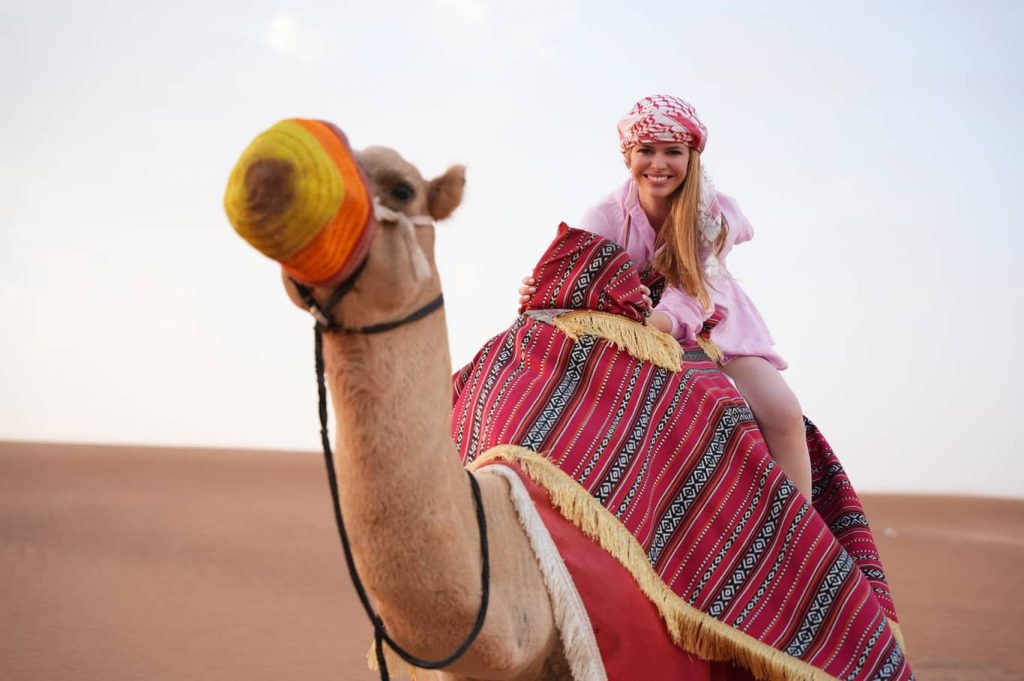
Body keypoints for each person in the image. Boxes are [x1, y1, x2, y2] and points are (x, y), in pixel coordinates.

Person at [520, 94, 812, 500]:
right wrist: (543, 288)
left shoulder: (713, 216)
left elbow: (691, 290)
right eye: (646, 151)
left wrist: (654, 324)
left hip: (711, 318)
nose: (659, 164)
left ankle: (798, 531)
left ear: (692, 157)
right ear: (628, 157)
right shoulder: (604, 216)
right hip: (630, 319)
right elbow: (575, 272)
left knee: (782, 411)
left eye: (673, 151)